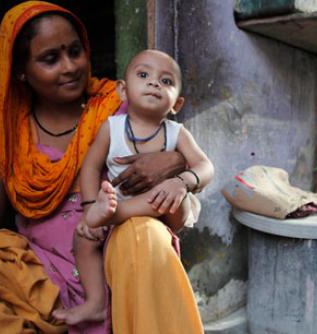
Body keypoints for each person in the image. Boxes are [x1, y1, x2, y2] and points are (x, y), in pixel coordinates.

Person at [0, 2, 204, 334]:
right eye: (50, 59)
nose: (69, 66)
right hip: (45, 268)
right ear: (21, 71)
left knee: (146, 233)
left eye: (75, 51)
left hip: (118, 256)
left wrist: (176, 162)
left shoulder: (120, 107)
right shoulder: (5, 132)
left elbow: (181, 159)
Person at [52, 49, 214, 325]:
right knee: (83, 236)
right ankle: (95, 303)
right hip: (119, 209)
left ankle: (114, 213)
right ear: (123, 91)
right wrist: (90, 208)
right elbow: (89, 168)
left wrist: (181, 181)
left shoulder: (177, 133)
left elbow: (206, 167)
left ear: (177, 103)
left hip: (169, 207)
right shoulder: (112, 128)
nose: (154, 83)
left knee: (162, 194)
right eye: (143, 75)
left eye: (166, 81)